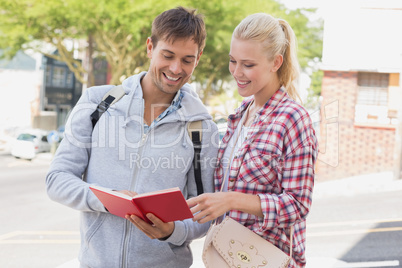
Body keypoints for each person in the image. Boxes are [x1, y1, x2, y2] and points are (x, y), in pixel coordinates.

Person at [46, 7, 219, 268]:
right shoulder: (96, 103)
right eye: (168, 55)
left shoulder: (202, 128)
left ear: (199, 58)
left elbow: (203, 213)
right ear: (150, 47)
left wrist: (172, 231)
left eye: (187, 60)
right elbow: (57, 180)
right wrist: (107, 199)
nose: (175, 68)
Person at [187, 13, 318, 268]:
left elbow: (298, 205)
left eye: (248, 65)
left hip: (266, 259)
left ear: (275, 62)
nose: (237, 72)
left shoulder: (293, 119)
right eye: (232, 61)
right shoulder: (240, 114)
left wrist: (231, 199)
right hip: (227, 256)